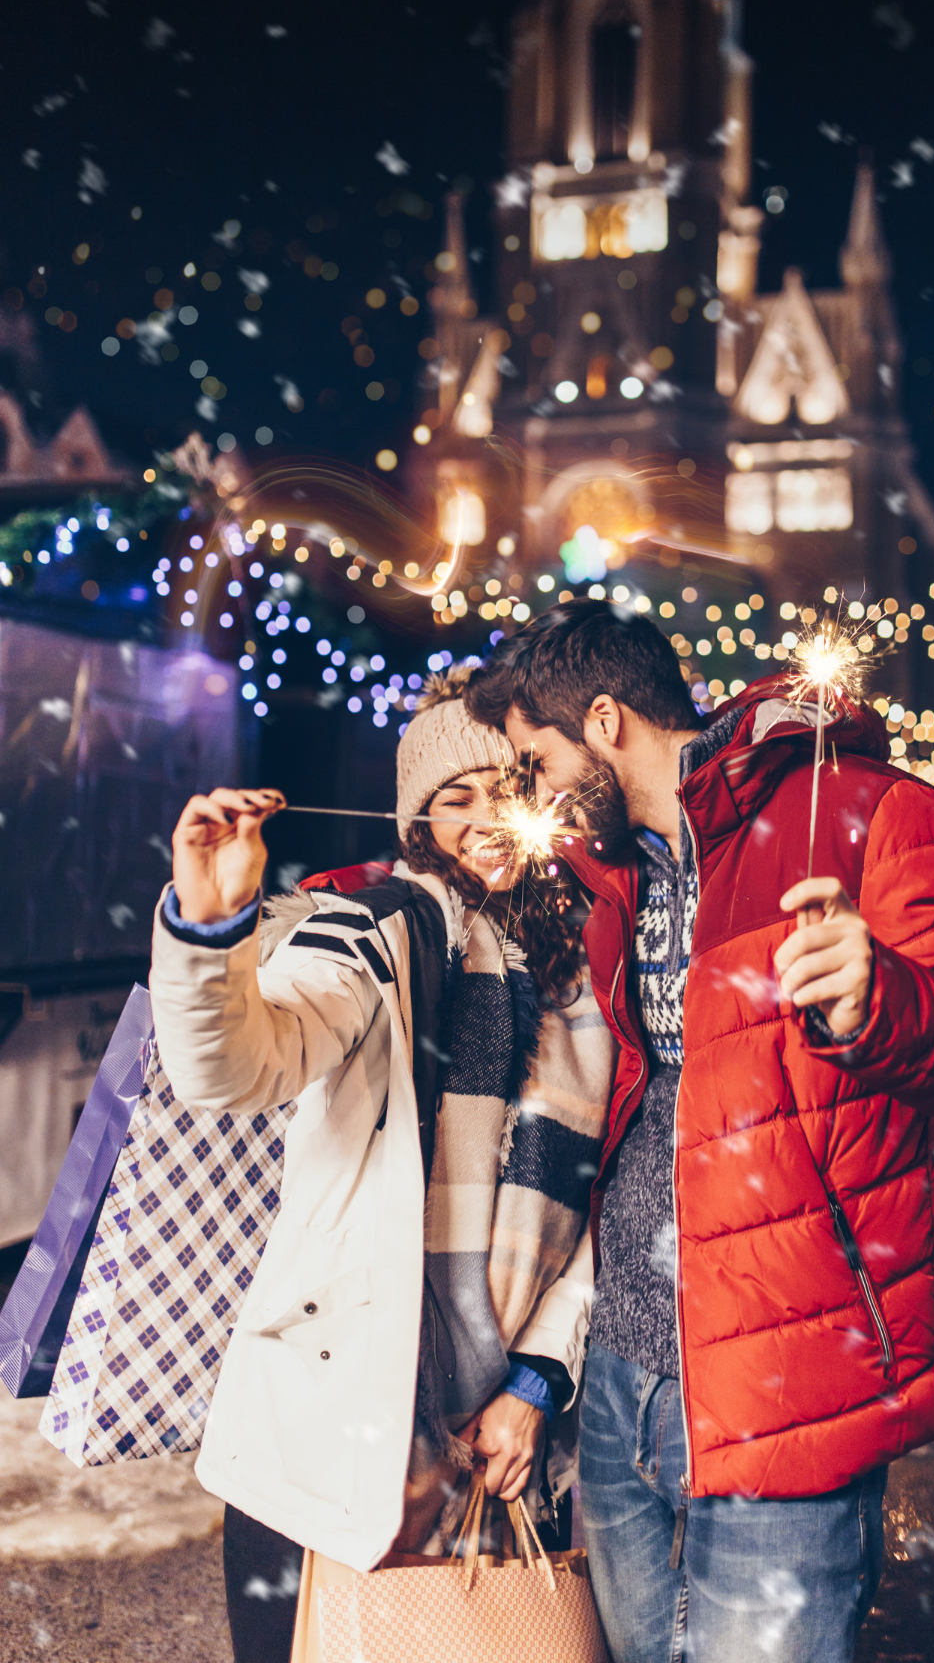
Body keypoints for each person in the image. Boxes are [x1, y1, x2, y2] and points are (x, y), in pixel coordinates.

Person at [464, 599, 934, 1663]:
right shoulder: (612, 880)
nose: (537, 793)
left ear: (605, 721)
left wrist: (883, 1000)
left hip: (788, 1393)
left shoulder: (865, 812)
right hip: (620, 1382)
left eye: (536, 758)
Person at [149, 670, 615, 1663]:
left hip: (504, 1443)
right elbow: (235, 1065)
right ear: (415, 820)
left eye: (509, 787)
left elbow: (606, 1196)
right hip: (342, 1415)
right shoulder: (376, 928)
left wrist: (537, 1378)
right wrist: (208, 932)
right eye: (458, 796)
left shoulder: (585, 972)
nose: (488, 816)